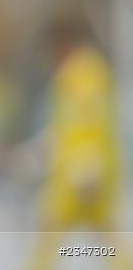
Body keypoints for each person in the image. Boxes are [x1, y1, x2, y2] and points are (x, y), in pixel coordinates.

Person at [26, 17, 127, 270]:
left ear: (64, 44)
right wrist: (45, 146)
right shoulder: (76, 75)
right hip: (80, 176)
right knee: (107, 241)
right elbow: (69, 126)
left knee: (51, 235)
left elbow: (87, 124)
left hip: (81, 178)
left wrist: (87, 163)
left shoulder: (83, 75)